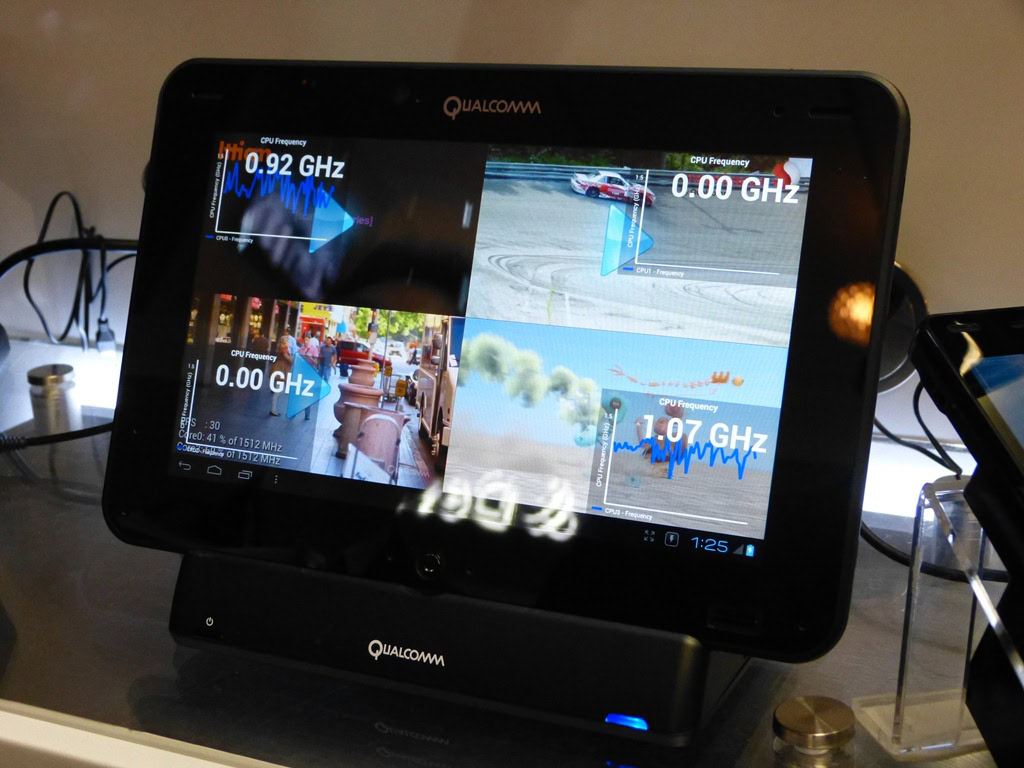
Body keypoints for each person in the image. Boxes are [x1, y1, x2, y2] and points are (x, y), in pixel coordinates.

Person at [269, 326, 294, 417]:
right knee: (278, 390)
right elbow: (290, 360)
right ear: (284, 342)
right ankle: (273, 409)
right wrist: (293, 359)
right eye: (288, 341)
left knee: (278, 390)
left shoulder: (281, 349)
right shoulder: (284, 350)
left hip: (280, 369)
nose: (289, 342)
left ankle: (274, 409)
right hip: (282, 370)